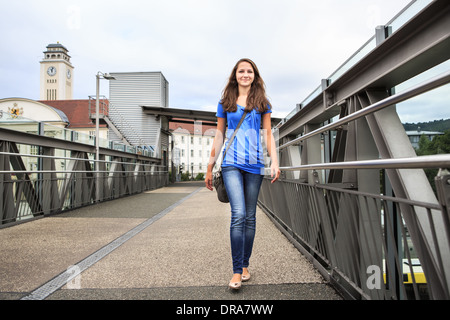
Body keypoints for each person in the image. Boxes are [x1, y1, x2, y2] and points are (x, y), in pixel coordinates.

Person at [205, 58, 280, 290]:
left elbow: (267, 134)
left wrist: (275, 162)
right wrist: (210, 166)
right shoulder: (225, 102)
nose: (245, 74)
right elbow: (219, 135)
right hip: (231, 163)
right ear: (235, 75)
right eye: (241, 71)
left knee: (250, 216)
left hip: (255, 165)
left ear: (254, 76)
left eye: (249, 71)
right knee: (238, 214)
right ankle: (237, 271)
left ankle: (245, 264)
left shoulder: (262, 103)